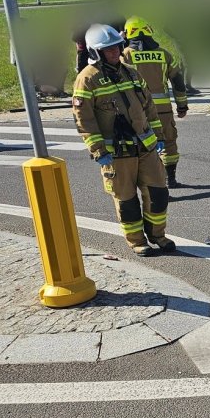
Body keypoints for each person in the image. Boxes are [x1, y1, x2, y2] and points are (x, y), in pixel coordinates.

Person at [72, 24, 175, 257]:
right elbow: (83, 118)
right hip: (116, 153)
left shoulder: (130, 71)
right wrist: (98, 149)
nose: (114, 52)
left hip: (145, 147)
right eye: (108, 50)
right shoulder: (87, 79)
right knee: (127, 201)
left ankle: (158, 235)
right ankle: (137, 241)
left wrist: (157, 136)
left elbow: (148, 106)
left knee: (158, 193)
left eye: (116, 47)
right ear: (95, 52)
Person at [123, 17, 189, 188]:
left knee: (144, 146)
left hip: (138, 112)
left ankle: (151, 181)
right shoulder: (164, 54)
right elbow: (178, 82)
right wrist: (182, 105)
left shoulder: (126, 56)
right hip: (163, 110)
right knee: (169, 142)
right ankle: (171, 179)